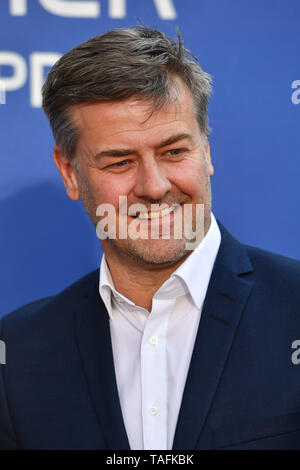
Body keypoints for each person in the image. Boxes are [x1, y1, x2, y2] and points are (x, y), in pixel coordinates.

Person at [1, 26, 300, 451]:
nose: (155, 186)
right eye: (120, 162)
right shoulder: (17, 355)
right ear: (69, 172)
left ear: (206, 151)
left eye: (174, 152)